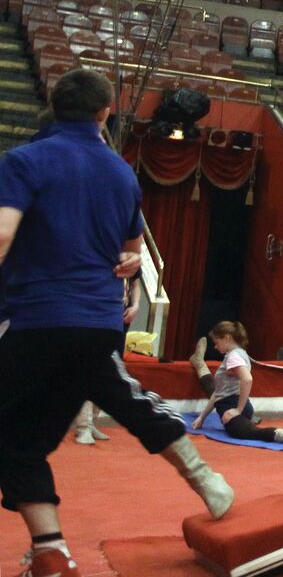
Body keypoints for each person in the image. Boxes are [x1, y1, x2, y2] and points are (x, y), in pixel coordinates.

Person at [0, 69, 233, 577]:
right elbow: (133, 259)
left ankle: (51, 549)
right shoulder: (122, 172)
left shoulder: (22, 161)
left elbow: (1, 236)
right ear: (106, 113)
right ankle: (51, 551)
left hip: (39, 317)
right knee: (110, 402)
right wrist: (123, 278)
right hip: (99, 318)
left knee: (17, 441)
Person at [189, 321, 283, 445]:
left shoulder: (233, 357)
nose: (215, 347)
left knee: (252, 433)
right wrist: (202, 417)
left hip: (231, 407)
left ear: (227, 338)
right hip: (239, 405)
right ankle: (199, 362)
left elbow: (247, 379)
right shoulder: (241, 353)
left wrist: (237, 410)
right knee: (212, 388)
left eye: (216, 343)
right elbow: (217, 392)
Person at [73, 268, 141, 444]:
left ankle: (93, 421)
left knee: (108, 369)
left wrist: (135, 305)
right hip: (96, 318)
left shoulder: (128, 255)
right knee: (91, 370)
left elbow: (135, 283)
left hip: (118, 321)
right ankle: (83, 426)